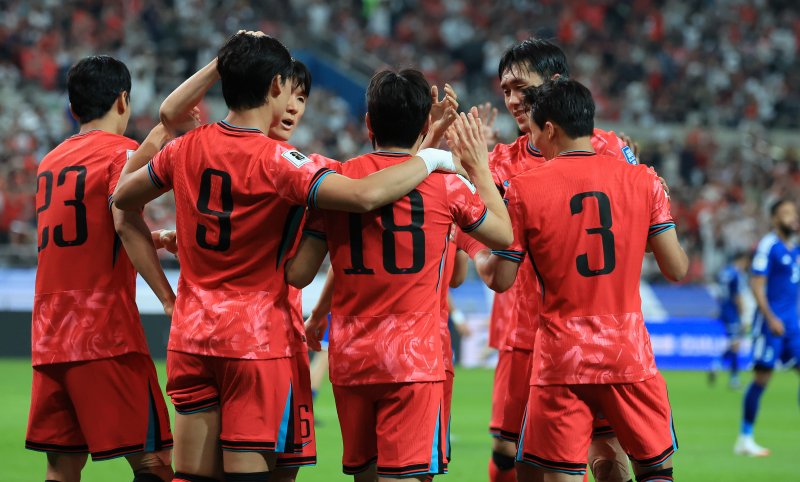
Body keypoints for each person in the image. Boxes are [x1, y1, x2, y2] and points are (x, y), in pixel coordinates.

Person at [112, 32, 461, 482]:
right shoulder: (283, 162)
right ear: (276, 85)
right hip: (257, 341)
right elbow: (365, 194)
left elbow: (122, 201)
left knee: (193, 476)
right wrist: (430, 156)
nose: (294, 105)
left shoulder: (186, 147)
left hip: (191, 333)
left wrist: (166, 295)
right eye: (291, 91)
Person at [285, 69, 512, 481]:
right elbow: (504, 235)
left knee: (366, 475)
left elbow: (299, 272)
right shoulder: (448, 188)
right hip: (414, 357)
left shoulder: (336, 181)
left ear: (368, 123)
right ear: (424, 126)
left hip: (352, 356)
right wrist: (478, 168)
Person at [477, 78, 688, 482]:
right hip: (628, 352)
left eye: (534, 132)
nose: (533, 141)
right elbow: (676, 268)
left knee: (555, 472)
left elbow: (501, 278)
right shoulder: (644, 180)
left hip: (561, 357)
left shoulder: (523, 189)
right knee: (653, 469)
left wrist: (479, 246)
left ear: (549, 129)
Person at [466, 38, 640, 482]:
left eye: (521, 87)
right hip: (531, 335)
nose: (512, 100)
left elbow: (645, 222)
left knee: (608, 458)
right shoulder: (498, 164)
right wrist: (481, 250)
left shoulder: (609, 148)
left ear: (555, 82)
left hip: (605, 332)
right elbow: (471, 229)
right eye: (505, 90)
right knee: (523, 460)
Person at [25, 55, 176, 482]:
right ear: (123, 100)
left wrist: (155, 237)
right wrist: (169, 299)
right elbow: (123, 223)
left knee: (62, 466)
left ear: (73, 107)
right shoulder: (121, 153)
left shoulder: (49, 162)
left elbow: (87, 234)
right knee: (153, 461)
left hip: (48, 336)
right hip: (104, 333)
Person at [735, 199, 800, 457]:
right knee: (762, 379)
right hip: (770, 325)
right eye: (786, 213)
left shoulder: (794, 249)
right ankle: (745, 438)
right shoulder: (768, 245)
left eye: (794, 213)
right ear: (774, 219)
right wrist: (771, 317)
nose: (792, 217)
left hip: (792, 326)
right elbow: (757, 284)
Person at [709, 250, 750, 389]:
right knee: (736, 345)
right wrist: (743, 315)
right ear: (742, 260)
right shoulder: (736, 274)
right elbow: (737, 296)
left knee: (734, 344)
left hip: (724, 311)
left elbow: (719, 294)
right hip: (733, 313)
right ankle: (733, 378)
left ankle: (717, 366)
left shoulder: (724, 273)